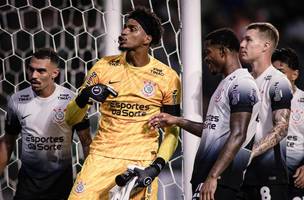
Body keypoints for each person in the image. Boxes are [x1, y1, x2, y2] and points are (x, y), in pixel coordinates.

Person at [65, 7, 181, 200]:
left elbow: (172, 131)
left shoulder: (167, 77)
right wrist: (85, 96)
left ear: (147, 39)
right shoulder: (104, 67)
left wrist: (156, 167)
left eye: (132, 28)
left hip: (140, 163)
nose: (123, 32)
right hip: (101, 158)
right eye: (124, 27)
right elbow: (70, 118)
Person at [149, 28, 260, 200]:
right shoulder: (227, 83)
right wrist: (177, 121)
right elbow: (213, 131)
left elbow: (239, 134)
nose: (205, 58)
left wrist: (213, 176)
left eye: (208, 52)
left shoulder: (242, 83)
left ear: (223, 51)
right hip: (208, 177)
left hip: (222, 179)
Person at [0, 48, 92, 200]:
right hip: (27, 190)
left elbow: (86, 142)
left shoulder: (71, 100)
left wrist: (90, 182)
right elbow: (7, 142)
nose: (34, 75)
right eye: (31, 69)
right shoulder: (17, 100)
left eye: (41, 71)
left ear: (54, 73)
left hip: (62, 190)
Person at [238, 22, 293, 200]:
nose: (242, 44)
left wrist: (249, 153)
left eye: (248, 39)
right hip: (240, 174)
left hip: (269, 174)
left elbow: (282, 127)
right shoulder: (241, 81)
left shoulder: (278, 81)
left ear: (266, 46)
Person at [272, 47, 304, 200]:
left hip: (298, 174)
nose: (276, 78)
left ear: (295, 74)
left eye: (281, 72)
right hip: (270, 173)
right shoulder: (263, 100)